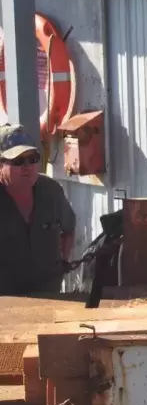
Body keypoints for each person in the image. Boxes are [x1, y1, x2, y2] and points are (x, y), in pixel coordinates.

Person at [0, 124, 76, 295]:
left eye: (32, 159)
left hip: (48, 296)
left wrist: (64, 261)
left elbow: (69, 229)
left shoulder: (51, 191)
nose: (27, 166)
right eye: (18, 161)